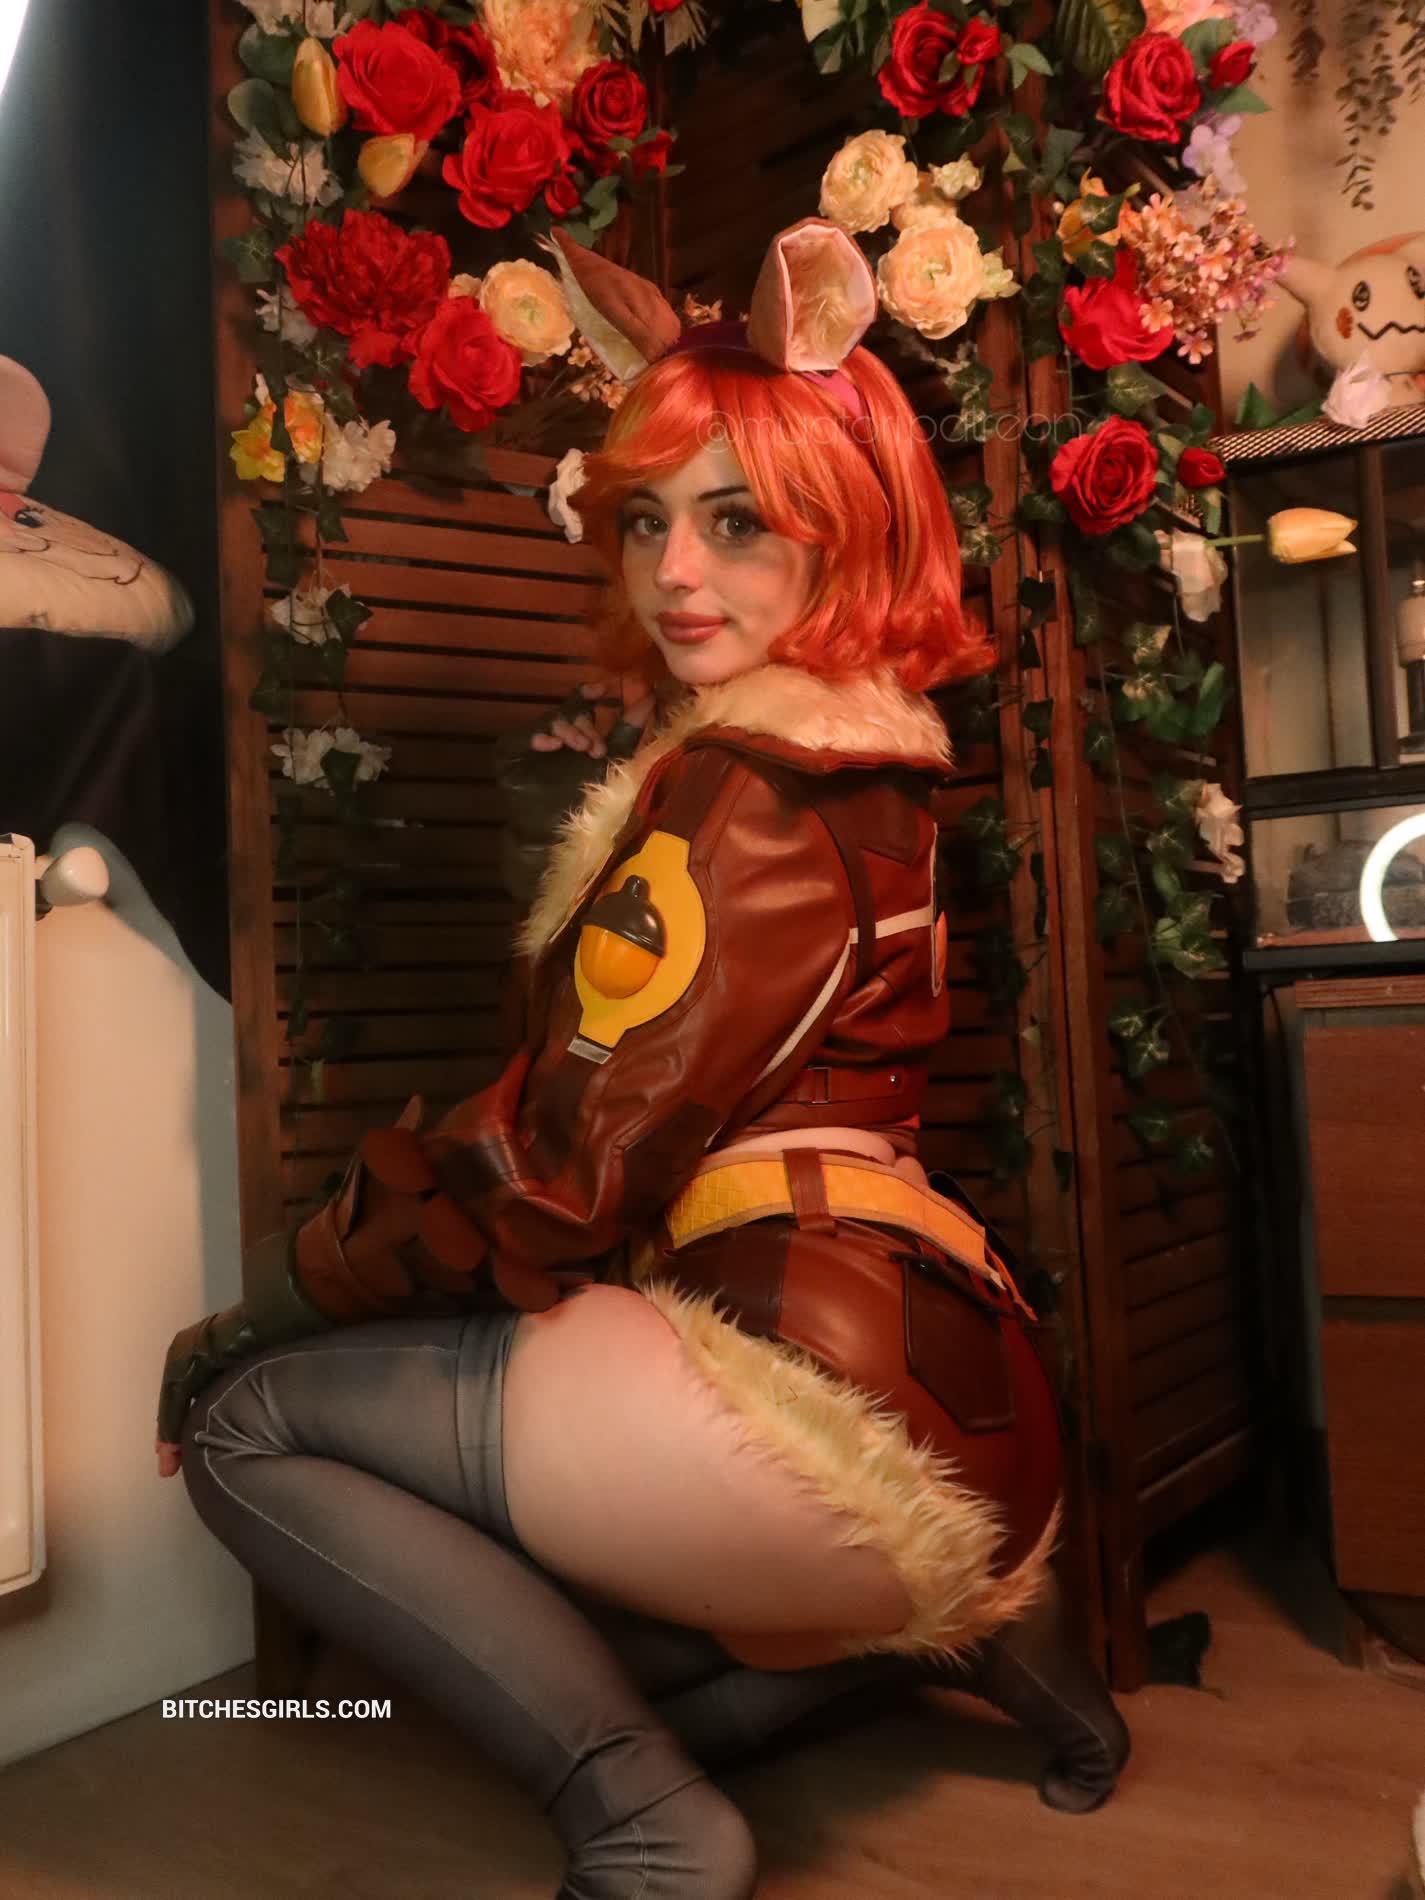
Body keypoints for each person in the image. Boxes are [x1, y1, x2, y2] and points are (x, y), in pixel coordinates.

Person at [156, 218, 1128, 1900]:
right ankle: (974, 1641)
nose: (677, 571)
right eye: (647, 520)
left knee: (248, 1429)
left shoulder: (745, 789)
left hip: (814, 1409)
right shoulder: (875, 764)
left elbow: (559, 1171)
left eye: (739, 522)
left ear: (846, 527)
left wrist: (262, 1306)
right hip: (965, 1399)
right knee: (586, 1592)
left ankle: (646, 1825)